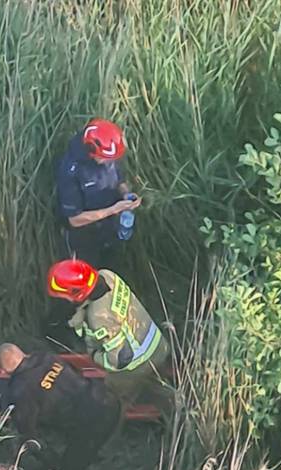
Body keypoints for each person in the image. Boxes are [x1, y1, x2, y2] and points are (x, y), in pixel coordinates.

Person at [0, 343, 123, 470]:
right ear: (24, 352)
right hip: (107, 400)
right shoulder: (46, 356)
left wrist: (53, 464)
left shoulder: (20, 391)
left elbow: (31, 438)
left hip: (92, 425)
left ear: (3, 371)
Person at [45, 259, 170, 403]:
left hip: (138, 363)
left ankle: (127, 408)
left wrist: (94, 355)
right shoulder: (106, 275)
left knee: (105, 398)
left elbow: (119, 361)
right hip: (159, 344)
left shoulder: (98, 318)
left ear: (77, 294)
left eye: (62, 296)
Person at [54, 118, 142, 270]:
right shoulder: (70, 172)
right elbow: (74, 219)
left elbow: (118, 179)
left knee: (112, 269)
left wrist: (127, 195)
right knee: (90, 277)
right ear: (91, 150)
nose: (109, 162)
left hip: (109, 228)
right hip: (84, 238)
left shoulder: (108, 153)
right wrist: (113, 210)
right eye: (105, 158)